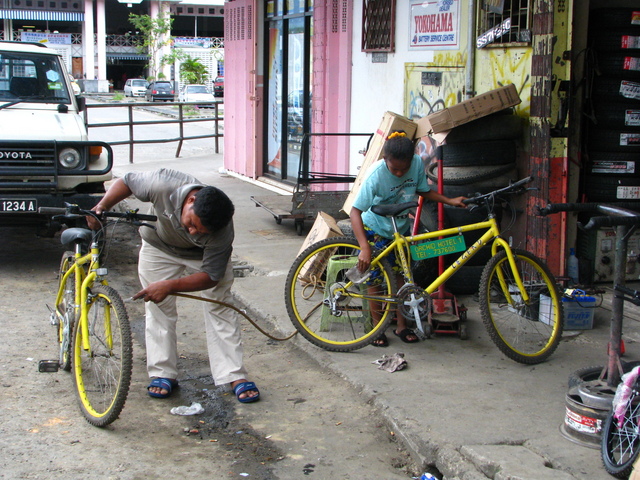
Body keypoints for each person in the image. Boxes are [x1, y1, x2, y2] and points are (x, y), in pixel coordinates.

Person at [86, 168, 259, 403]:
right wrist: (102, 207)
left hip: (201, 258)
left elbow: (211, 276)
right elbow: (126, 182)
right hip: (158, 247)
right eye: (191, 223)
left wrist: (169, 285)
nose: (192, 232)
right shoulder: (163, 184)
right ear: (190, 200)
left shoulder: (222, 230)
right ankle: (162, 373)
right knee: (159, 308)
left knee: (220, 307)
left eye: (200, 231)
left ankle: (234, 374)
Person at [349, 131, 467, 347]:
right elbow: (354, 212)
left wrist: (449, 200)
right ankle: (377, 330)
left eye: (404, 168)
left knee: (403, 278)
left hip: (400, 228)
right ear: (385, 160)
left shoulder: (415, 164)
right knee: (375, 279)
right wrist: (364, 247)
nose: (401, 172)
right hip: (374, 227)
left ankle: (402, 326)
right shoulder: (376, 175)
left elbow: (424, 191)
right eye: (395, 169)